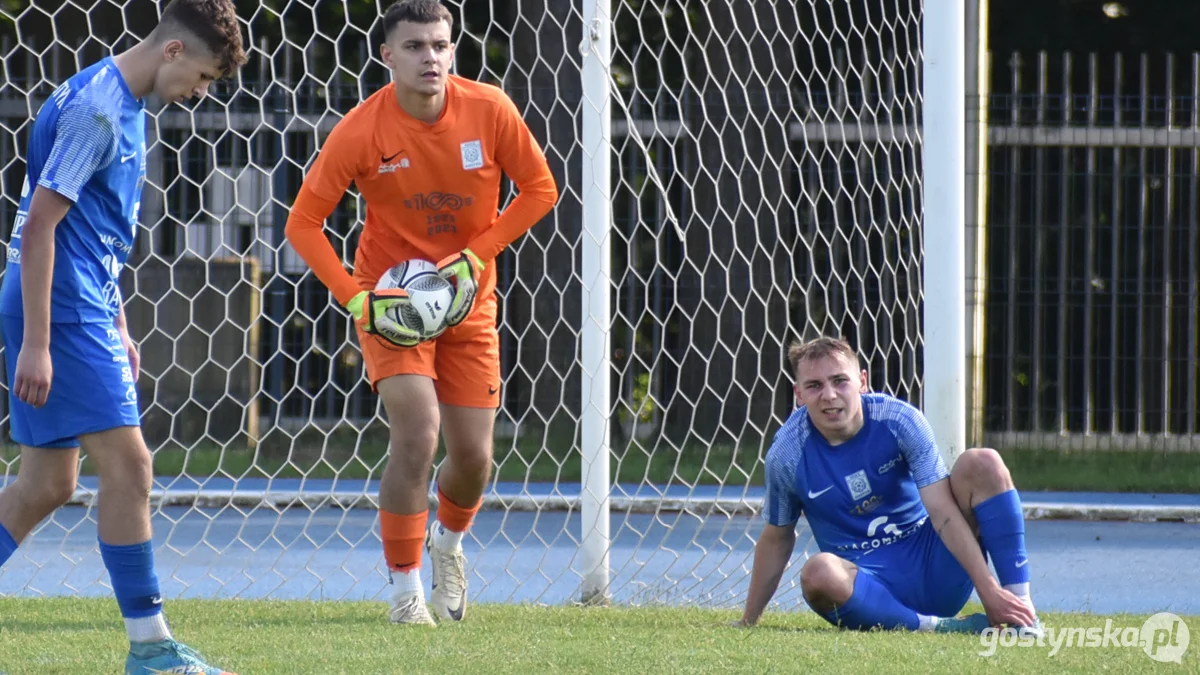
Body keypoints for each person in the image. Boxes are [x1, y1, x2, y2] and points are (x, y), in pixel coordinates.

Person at [284, 0, 558, 626]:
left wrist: (476, 254)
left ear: (452, 50)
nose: (429, 57)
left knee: (473, 458)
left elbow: (541, 189)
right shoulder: (360, 130)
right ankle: (405, 591)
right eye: (414, 46)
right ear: (387, 56)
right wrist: (358, 297)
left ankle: (449, 546)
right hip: (392, 305)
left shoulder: (490, 109)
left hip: (469, 302)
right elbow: (303, 224)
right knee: (417, 433)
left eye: (439, 45)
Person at [0, 1, 247, 673]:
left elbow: (97, 230)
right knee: (132, 465)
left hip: (81, 306)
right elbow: (41, 226)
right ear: (172, 52)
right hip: (60, 307)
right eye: (200, 78)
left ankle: (152, 648)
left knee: (46, 485)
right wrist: (40, 344)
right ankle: (152, 649)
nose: (198, 94)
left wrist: (119, 321)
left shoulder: (124, 102)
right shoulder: (100, 109)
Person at [737, 337, 1041, 635]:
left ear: (862, 381)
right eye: (814, 386)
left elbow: (943, 511)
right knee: (817, 572)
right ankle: (941, 628)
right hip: (864, 589)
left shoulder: (899, 420)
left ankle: (1022, 613)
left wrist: (988, 590)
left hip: (935, 567)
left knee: (982, 462)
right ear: (798, 395)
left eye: (840, 380)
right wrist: (748, 620)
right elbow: (777, 538)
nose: (829, 395)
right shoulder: (787, 454)